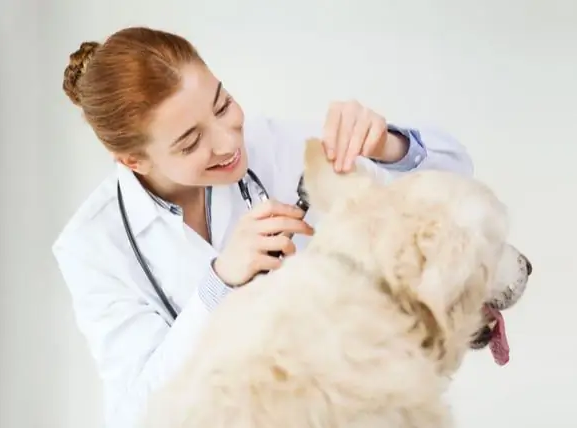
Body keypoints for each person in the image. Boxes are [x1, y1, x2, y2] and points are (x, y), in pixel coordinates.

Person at [53, 26, 474, 428]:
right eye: (190, 141)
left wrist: (389, 146)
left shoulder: (273, 145)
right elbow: (137, 416)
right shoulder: (93, 245)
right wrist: (218, 285)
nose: (228, 142)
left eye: (222, 105)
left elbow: (456, 184)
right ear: (132, 161)